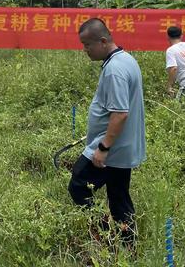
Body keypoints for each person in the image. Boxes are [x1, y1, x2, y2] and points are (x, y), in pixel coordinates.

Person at [68, 18, 146, 247]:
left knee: (79, 186)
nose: (85, 50)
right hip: (121, 147)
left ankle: (105, 232)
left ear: (103, 41)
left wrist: (103, 148)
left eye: (87, 45)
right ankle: (127, 244)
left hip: (111, 149)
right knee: (119, 197)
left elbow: (120, 114)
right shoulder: (125, 59)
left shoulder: (115, 70)